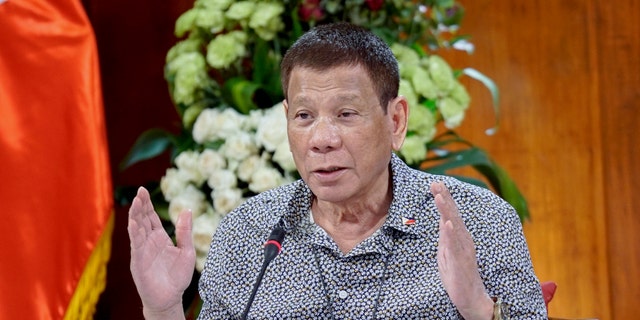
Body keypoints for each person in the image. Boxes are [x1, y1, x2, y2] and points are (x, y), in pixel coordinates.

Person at [128, 22, 547, 319]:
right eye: (305, 116)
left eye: (346, 114)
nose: (321, 138)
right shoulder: (247, 232)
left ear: (396, 122)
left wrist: (479, 312)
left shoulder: (477, 220)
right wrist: (163, 309)